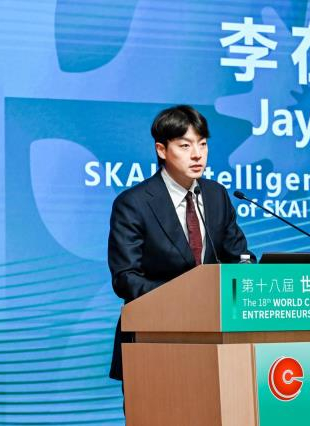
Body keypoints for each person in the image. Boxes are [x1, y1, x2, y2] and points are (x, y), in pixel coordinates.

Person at [107, 104, 254, 381]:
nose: (197, 154)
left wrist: (247, 275)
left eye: (203, 144)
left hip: (215, 340)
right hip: (153, 340)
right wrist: (186, 296)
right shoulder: (133, 204)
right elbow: (125, 278)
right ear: (162, 150)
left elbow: (238, 257)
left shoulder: (216, 195)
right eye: (185, 145)